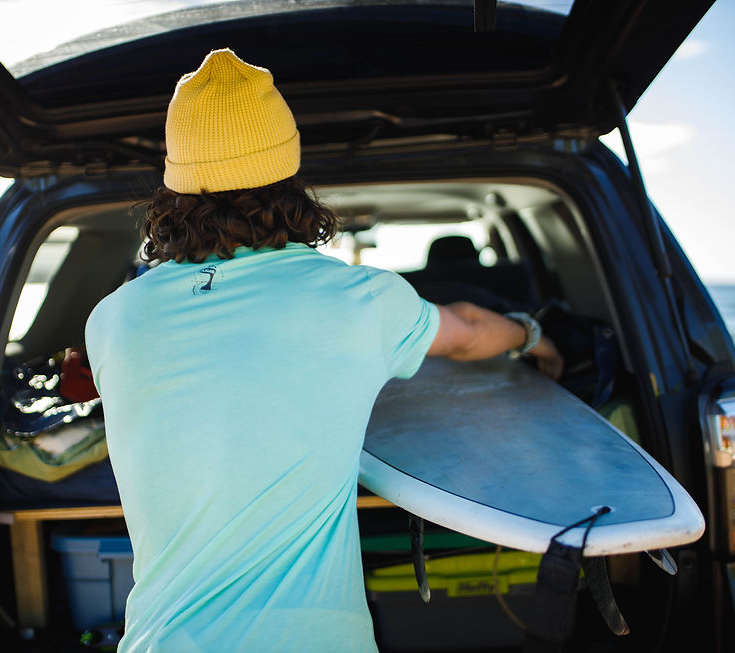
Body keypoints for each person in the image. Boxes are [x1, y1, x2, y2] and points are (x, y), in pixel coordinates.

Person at [85, 48, 562, 653]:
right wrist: (534, 337)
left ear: (174, 187)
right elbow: (468, 331)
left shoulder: (113, 319)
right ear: (290, 174)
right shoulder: (358, 300)